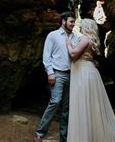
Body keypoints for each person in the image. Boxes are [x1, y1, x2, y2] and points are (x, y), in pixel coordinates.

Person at [65, 18, 115, 141]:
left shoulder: (85, 39)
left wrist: (68, 44)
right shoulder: (93, 41)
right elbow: (88, 56)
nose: (80, 28)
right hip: (90, 71)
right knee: (93, 106)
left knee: (83, 104)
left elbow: (73, 54)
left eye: (81, 26)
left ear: (86, 27)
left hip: (83, 73)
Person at [34, 11, 78, 142]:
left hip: (72, 75)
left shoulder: (75, 37)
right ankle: (40, 133)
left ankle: (64, 139)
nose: (73, 24)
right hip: (57, 74)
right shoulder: (53, 35)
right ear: (63, 21)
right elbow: (46, 55)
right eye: (71, 21)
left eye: (74, 21)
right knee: (55, 101)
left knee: (66, 109)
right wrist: (50, 73)